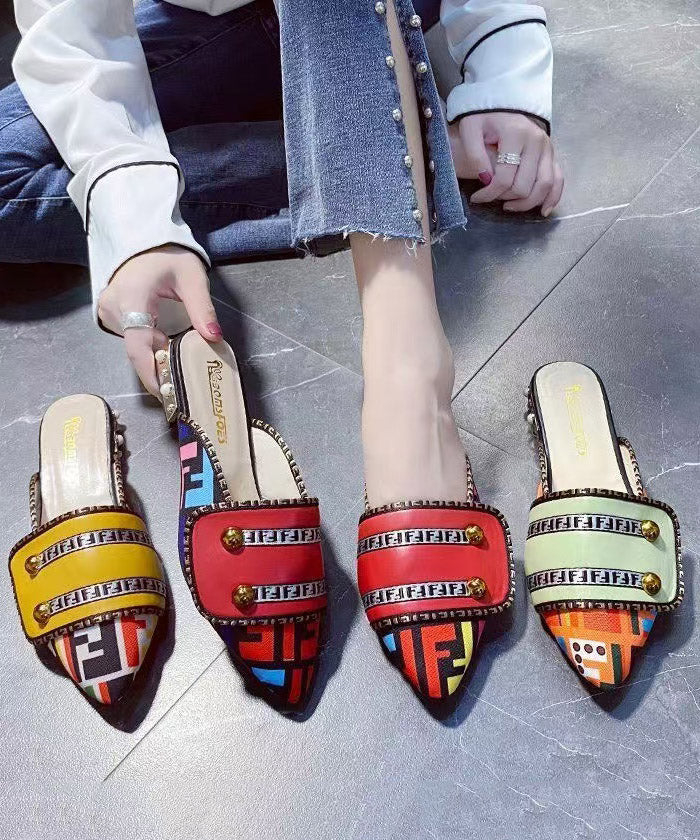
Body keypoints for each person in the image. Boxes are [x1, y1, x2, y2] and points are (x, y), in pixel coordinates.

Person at [2, 0, 561, 698]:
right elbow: (69, 22)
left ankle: (408, 367)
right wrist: (137, 220)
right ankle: (403, 152)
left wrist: (507, 75)